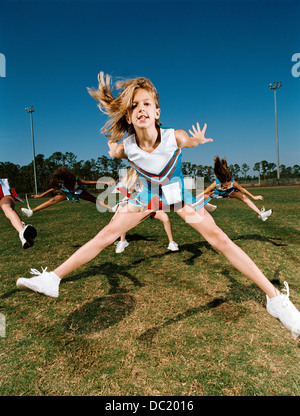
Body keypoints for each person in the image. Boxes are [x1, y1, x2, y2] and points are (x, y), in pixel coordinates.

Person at [16, 72, 300, 338]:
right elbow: (117, 150)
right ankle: (52, 279)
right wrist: (114, 149)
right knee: (105, 235)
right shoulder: (125, 146)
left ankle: (275, 300)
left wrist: (196, 140)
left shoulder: (172, 137)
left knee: (221, 241)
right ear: (128, 115)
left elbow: (186, 141)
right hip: (146, 196)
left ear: (156, 112)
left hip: (177, 196)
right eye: (135, 105)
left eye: (147, 103)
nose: (141, 108)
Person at [112, 167, 179, 253]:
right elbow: (127, 197)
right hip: (140, 207)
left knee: (165, 218)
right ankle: (122, 241)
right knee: (124, 219)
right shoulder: (135, 185)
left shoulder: (152, 182)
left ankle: (171, 243)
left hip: (151, 207)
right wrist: (118, 208)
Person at [21, 166, 114, 218]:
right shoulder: (61, 184)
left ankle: (112, 208)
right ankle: (31, 212)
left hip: (79, 192)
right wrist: (40, 195)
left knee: (95, 200)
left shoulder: (76, 181)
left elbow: (90, 182)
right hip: (67, 193)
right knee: (52, 200)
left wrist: (105, 182)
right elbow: (52, 189)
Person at [199, 156, 272, 221]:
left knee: (244, 197)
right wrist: (194, 199)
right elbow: (204, 191)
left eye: (227, 185)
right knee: (205, 195)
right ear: (221, 182)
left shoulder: (232, 182)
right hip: (218, 192)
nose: (226, 187)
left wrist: (254, 197)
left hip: (229, 192)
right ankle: (204, 204)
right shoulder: (216, 183)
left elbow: (243, 189)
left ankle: (261, 214)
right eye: (224, 186)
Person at [0, 178, 37, 249]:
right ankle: (22, 233)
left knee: (7, 207)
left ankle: (22, 232)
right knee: (7, 208)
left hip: (2, 190)